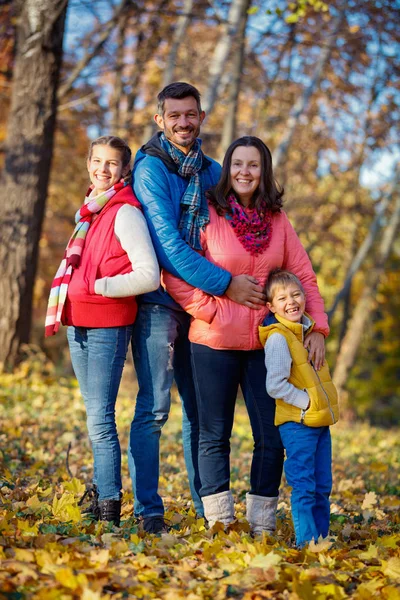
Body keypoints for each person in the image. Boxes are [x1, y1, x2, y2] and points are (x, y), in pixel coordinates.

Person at [163, 136, 330, 535]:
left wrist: (318, 327)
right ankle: (219, 522)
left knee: (270, 438)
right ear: (227, 167)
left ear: (263, 171)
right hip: (213, 342)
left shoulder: (278, 221)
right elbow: (177, 270)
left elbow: (303, 275)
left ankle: (261, 525)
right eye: (237, 163)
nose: (244, 172)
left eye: (253, 165)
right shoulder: (207, 212)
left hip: (266, 345)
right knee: (213, 435)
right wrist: (210, 309)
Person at [130, 83, 266, 534]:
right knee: (154, 409)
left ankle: (205, 506)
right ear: (160, 120)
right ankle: (149, 510)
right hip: (159, 301)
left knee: (199, 411)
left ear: (202, 117)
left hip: (200, 304)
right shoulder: (150, 167)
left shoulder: (211, 172)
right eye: (174, 115)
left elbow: (238, 225)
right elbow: (167, 245)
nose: (183, 123)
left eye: (191, 115)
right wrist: (227, 284)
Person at [45, 136, 159, 526]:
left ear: (124, 170)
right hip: (78, 322)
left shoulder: (124, 213)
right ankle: (101, 492)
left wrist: (99, 287)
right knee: (95, 416)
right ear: (88, 163)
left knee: (100, 419)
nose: (103, 169)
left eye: (113, 164)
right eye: (98, 161)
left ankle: (108, 505)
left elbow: (148, 275)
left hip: (106, 325)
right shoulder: (89, 211)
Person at [259, 269, 339, 547]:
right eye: (282, 298)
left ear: (305, 297)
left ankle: (322, 539)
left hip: (318, 424)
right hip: (298, 423)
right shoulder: (279, 338)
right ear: (271, 307)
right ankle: (307, 543)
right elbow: (275, 385)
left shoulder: (306, 332)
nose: (291, 301)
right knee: (304, 486)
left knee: (322, 487)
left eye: (296, 295)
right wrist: (307, 403)